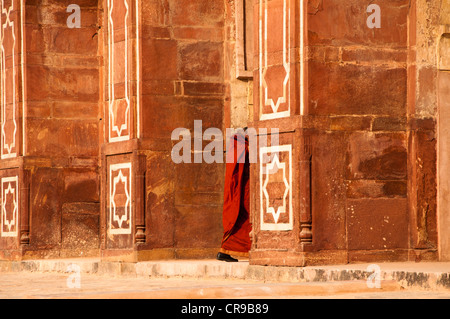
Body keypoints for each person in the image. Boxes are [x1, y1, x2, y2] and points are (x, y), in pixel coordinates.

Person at [217, 129, 252, 262]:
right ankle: (225, 249)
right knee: (241, 216)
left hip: (246, 183)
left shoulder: (239, 142)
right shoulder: (238, 142)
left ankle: (226, 251)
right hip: (243, 185)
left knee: (245, 218)